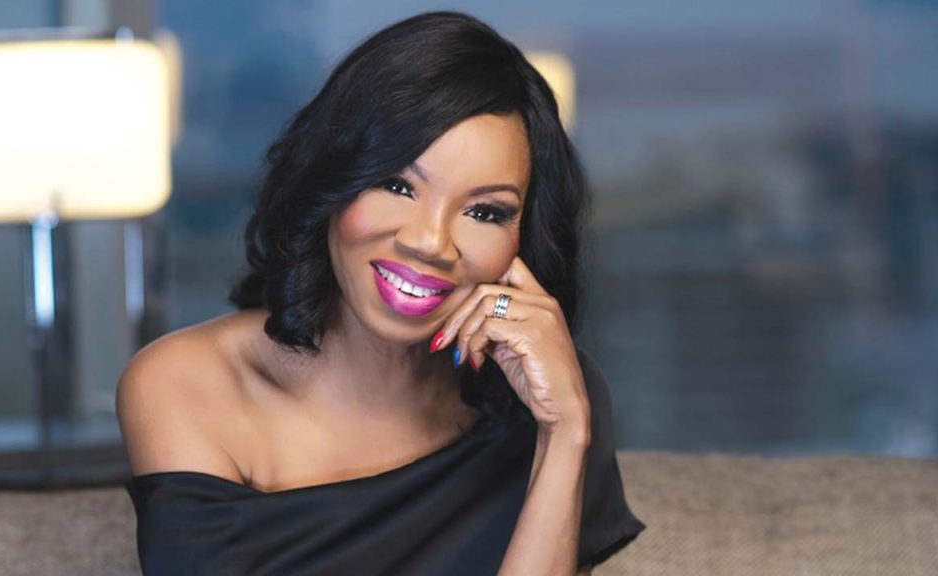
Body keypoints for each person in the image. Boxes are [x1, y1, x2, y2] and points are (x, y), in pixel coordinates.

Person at [119, 11, 644, 576]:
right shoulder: (187, 385)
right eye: (397, 185)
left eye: (484, 212)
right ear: (331, 183)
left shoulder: (555, 396)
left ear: (524, 239)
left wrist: (564, 434)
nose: (430, 242)